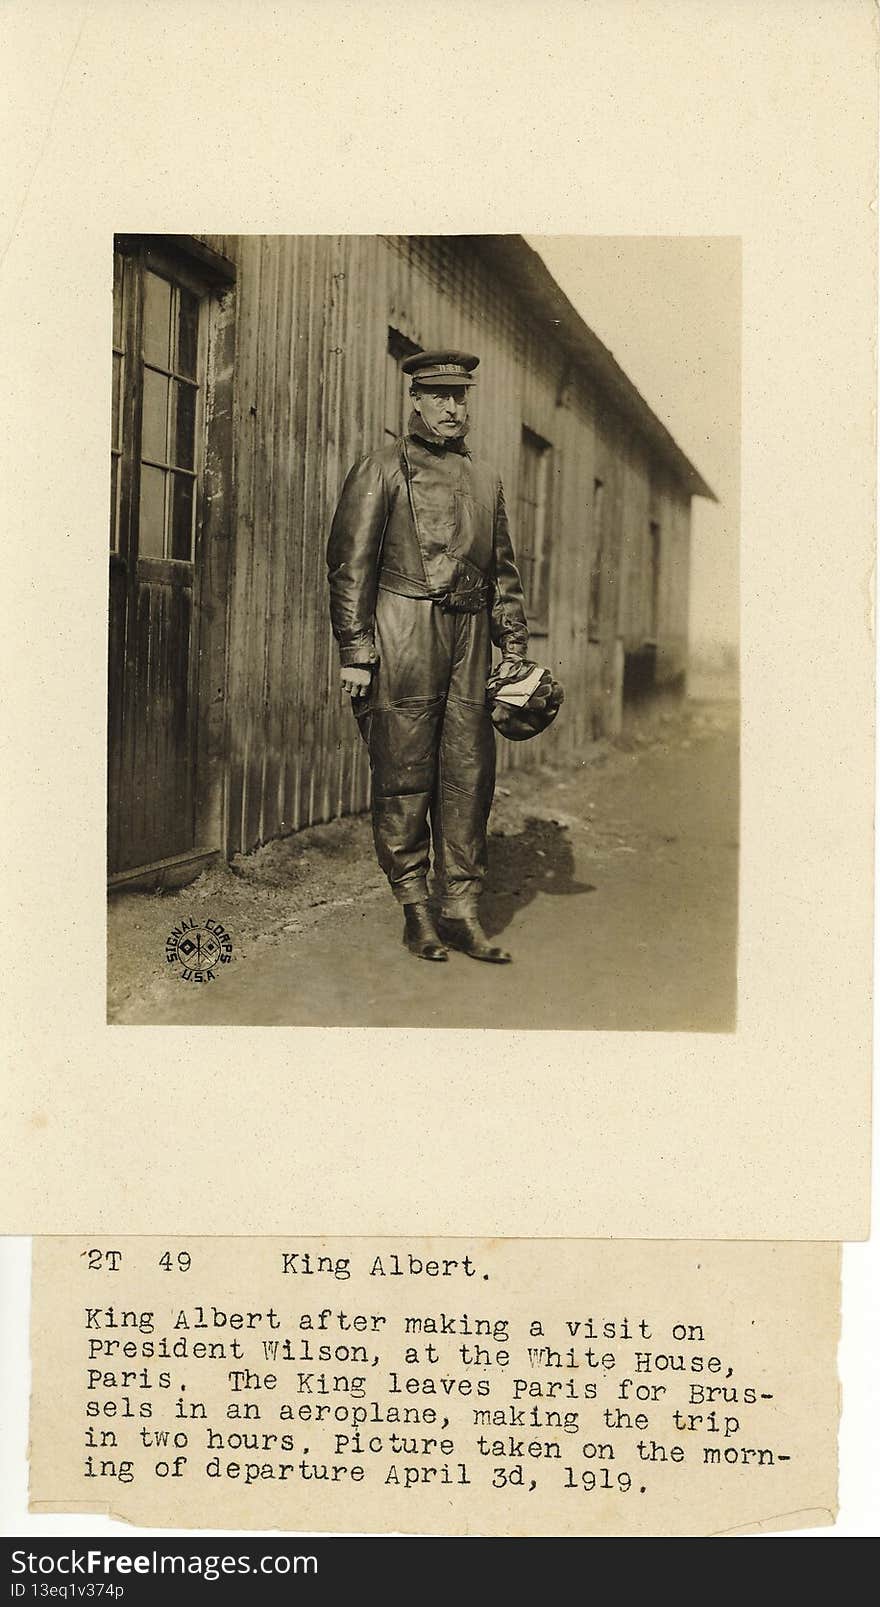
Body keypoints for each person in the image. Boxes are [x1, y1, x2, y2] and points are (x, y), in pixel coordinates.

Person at [327, 349, 529, 963]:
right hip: (403, 634)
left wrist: (513, 646)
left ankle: (461, 911)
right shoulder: (381, 468)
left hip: (468, 637)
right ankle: (416, 910)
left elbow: (503, 570)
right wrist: (357, 651)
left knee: (469, 773)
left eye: (460, 397)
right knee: (404, 772)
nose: (451, 407)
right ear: (414, 398)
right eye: (439, 395)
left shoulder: (485, 477)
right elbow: (349, 567)